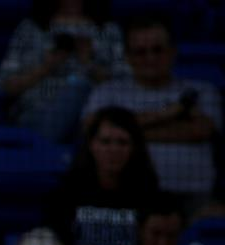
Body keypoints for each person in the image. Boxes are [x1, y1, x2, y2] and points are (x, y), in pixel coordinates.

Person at [80, 15, 221, 209]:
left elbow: (202, 130)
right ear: (128, 57)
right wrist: (170, 113)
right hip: (124, 197)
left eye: (157, 50)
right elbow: (91, 128)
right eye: (140, 52)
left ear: (173, 52)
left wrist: (128, 132)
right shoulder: (108, 92)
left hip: (193, 196)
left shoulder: (201, 91)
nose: (150, 58)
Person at [44, 107, 160, 245]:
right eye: (105, 141)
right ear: (92, 145)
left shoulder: (148, 193)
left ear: (134, 147)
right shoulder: (67, 192)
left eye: (122, 142)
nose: (113, 150)